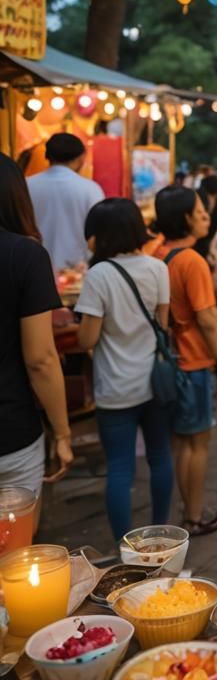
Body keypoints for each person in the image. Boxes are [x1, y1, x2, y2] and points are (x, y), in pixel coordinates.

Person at [75, 199, 173, 541]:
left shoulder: (99, 275)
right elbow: (164, 325)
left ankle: (124, 547)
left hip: (115, 387)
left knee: (120, 468)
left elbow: (87, 337)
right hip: (156, 382)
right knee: (160, 456)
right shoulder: (157, 268)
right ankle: (162, 536)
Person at [154, 186, 217, 536]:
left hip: (169, 360)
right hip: (193, 360)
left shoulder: (157, 253)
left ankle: (187, 509)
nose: (206, 216)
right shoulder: (192, 261)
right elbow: (207, 318)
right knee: (197, 443)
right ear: (187, 217)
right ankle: (193, 516)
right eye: (201, 210)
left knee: (180, 442)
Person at [0, 154, 72, 504]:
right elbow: (40, 359)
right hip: (9, 430)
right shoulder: (24, 255)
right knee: (14, 553)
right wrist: (62, 432)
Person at [26, 133, 105, 270]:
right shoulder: (91, 189)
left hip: (33, 267)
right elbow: (101, 232)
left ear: (47, 157)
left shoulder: (26, 186)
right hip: (77, 270)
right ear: (81, 158)